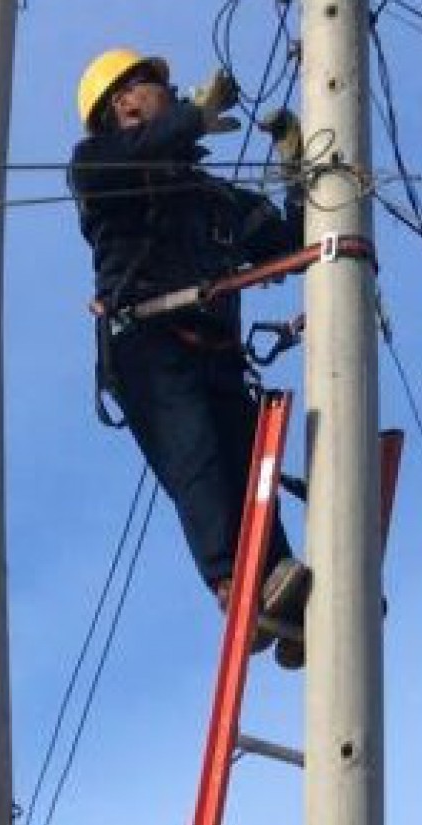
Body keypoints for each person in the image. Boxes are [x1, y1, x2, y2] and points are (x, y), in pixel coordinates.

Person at [67, 48, 311, 665]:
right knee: (196, 454)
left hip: (215, 349)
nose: (159, 96)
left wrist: (298, 172)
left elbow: (288, 244)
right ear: (119, 105)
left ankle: (284, 590)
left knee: (247, 459)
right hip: (147, 344)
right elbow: (133, 156)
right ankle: (235, 588)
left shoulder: (208, 197)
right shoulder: (97, 165)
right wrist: (194, 117)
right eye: (149, 88)